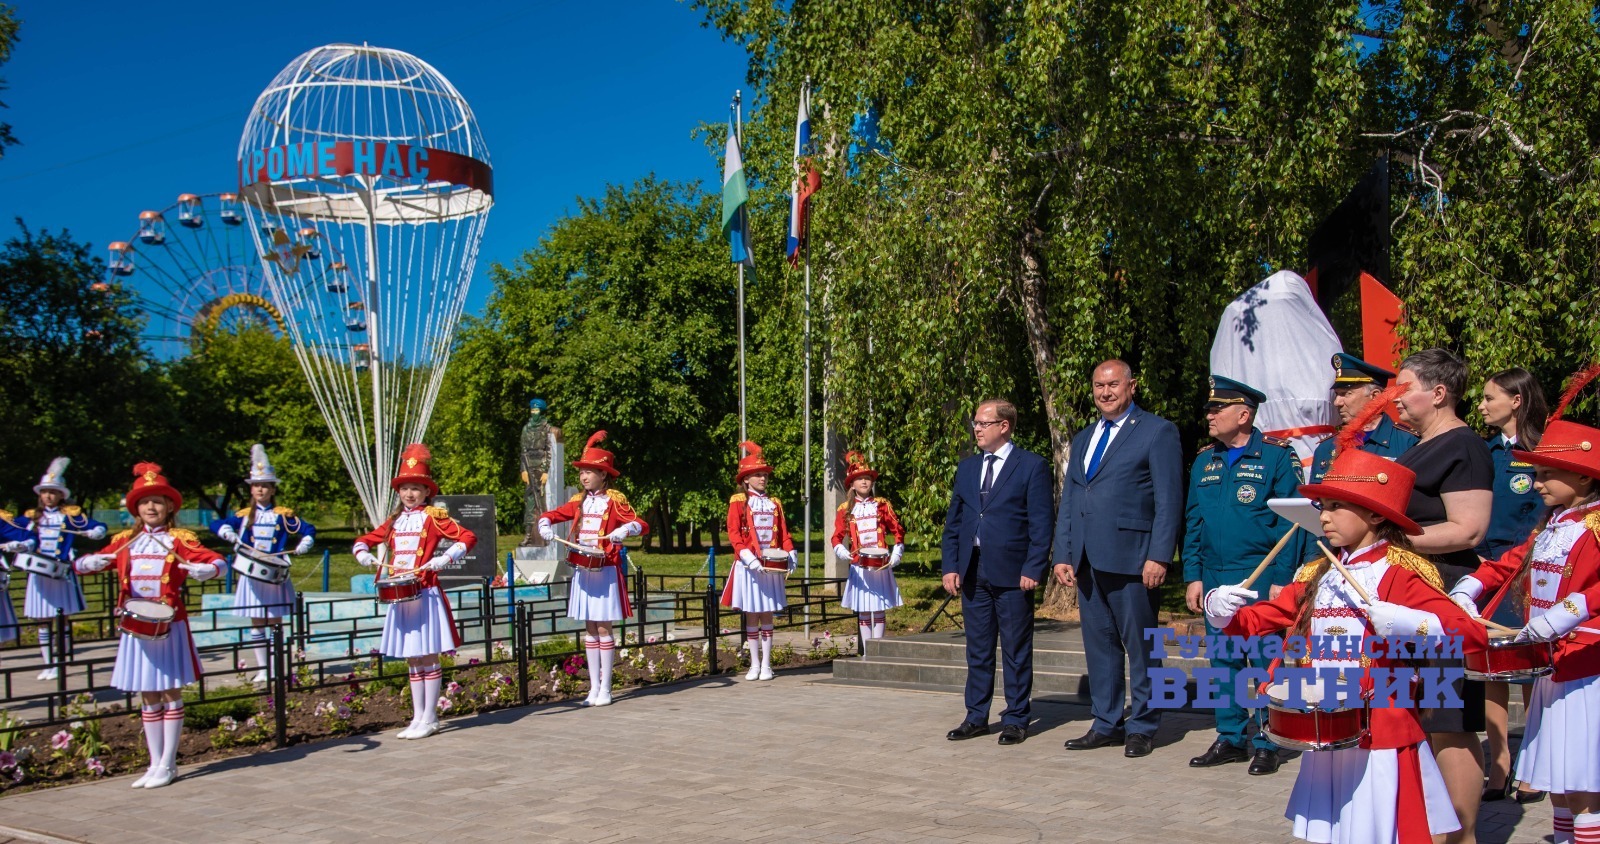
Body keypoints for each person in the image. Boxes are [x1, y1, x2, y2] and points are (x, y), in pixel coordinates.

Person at [1205, 438, 1487, 843]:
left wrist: (1409, 622)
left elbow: (1471, 634)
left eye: (1337, 506)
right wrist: (1222, 608)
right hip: (1328, 727)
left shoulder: (1400, 572)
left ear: (1374, 513)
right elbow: (1256, 621)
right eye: (1323, 506)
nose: (1324, 516)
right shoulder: (1318, 571)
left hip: (1382, 733)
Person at [1450, 365, 1600, 843]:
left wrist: (1568, 611)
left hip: (1586, 666)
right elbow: (1510, 563)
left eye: (1548, 475)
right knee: (1556, 774)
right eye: (1535, 474)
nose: (1537, 484)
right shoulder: (1553, 525)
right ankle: (1562, 836)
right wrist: (1470, 588)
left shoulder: (1596, 524)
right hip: (1552, 666)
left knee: (1582, 779)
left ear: (1581, 476)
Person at [1052, 361, 1183, 758]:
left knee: (1142, 648)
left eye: (1113, 384)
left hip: (1134, 559)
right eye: (1098, 385)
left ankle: (1143, 725)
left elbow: (1169, 499)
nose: (1105, 392)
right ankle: (1106, 721)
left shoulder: (1157, 431)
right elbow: (1072, 498)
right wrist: (1063, 552)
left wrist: (1159, 555)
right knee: (1100, 647)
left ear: (1131, 386)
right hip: (1088, 560)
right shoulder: (1086, 436)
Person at [1391, 348, 1494, 843]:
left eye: (1403, 385)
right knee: (1422, 715)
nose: (1395, 397)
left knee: (1449, 718)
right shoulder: (1417, 446)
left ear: (1437, 393)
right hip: (1408, 596)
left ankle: (1462, 835)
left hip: (1442, 599)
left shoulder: (1464, 447)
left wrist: (1388, 541)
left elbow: (1469, 530)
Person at [1182, 376, 1307, 776]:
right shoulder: (1205, 460)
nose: (1209, 416)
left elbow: (1293, 521)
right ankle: (1231, 736)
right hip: (1216, 576)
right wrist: (1193, 575)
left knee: (1265, 660)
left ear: (1244, 414)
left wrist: (1283, 577)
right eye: (1208, 409)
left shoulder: (1274, 458)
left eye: (1217, 409)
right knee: (1224, 660)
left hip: (1261, 575)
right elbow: (1194, 521)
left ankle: (1269, 739)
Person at [75, 462, 226, 789]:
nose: (151, 507)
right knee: (148, 695)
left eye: (157, 501)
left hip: (169, 625)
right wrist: (90, 562)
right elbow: (81, 565)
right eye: (145, 502)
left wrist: (208, 571)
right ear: (136, 508)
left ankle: (169, 763)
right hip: (135, 627)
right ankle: (154, 762)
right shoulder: (125, 541)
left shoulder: (178, 540)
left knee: (170, 693)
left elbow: (218, 561)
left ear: (169, 506)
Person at [941, 399, 1053, 746]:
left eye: (983, 423)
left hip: (1013, 573)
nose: (976, 428)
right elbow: (955, 522)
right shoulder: (968, 468)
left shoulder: (1031, 466)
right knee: (978, 649)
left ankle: (1016, 718)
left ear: (1004, 426)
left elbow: (1041, 522)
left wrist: (1034, 567)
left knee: (1016, 649)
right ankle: (976, 717)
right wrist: (950, 566)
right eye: (974, 423)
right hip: (973, 570)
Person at [353, 444, 476, 740]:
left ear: (426, 492)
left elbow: (468, 536)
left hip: (425, 592)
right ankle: (417, 716)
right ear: (399, 492)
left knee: (428, 655)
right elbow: (364, 540)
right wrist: (363, 555)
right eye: (405, 488)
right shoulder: (395, 521)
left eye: (416, 488)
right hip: (400, 595)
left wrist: (445, 558)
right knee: (412, 657)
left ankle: (430, 716)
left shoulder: (433, 517)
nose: (410, 494)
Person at [1474, 367, 1550, 805]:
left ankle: (1536, 766)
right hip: (1485, 572)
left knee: (1531, 672)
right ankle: (1499, 766)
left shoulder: (1541, 450)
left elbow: (1545, 517)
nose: (1482, 405)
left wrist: (1519, 561)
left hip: (1526, 574)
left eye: (1490, 397)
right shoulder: (1484, 452)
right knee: (1489, 672)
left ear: (1516, 400)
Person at [537, 430, 649, 707]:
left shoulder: (615, 500)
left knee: (603, 630)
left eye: (590, 471)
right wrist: (544, 524)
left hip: (606, 570)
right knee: (589, 629)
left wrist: (625, 529)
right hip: (583, 570)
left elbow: (641, 524)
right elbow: (552, 514)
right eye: (582, 472)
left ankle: (607, 688)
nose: (584, 476)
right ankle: (594, 687)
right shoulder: (579, 501)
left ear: (604, 475)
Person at [208, 444, 316, 684]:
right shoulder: (243, 515)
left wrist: (305, 543)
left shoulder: (282, 514)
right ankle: (263, 668)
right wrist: (227, 532)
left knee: (275, 621)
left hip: (274, 574)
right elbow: (216, 524)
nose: (260, 489)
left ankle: (278, 667)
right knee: (257, 621)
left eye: (265, 486)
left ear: (272, 489)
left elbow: (308, 529)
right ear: (252, 489)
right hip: (251, 574)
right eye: (257, 485)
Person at [15, 457, 108, 680]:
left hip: (60, 573)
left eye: (53, 492)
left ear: (61, 495)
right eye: (45, 492)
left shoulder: (71, 516)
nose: (48, 496)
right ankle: (48, 663)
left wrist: (96, 532)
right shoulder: (30, 517)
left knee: (61, 618)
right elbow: (11, 531)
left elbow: (98, 527)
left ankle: (62, 661)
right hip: (38, 574)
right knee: (42, 621)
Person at [721, 441, 796, 681]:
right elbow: (734, 533)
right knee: (752, 614)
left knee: (767, 614)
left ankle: (767, 664)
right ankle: (754, 664)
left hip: (772, 566)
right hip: (749, 565)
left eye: (764, 474)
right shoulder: (737, 501)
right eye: (757, 475)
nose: (763, 479)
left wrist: (791, 552)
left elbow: (784, 532)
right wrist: (748, 557)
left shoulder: (775, 503)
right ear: (746, 479)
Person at [1308, 353, 1419, 484]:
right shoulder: (1327, 448)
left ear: (1375, 396)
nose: (1337, 402)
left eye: (1346, 394)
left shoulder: (1408, 443)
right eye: (1337, 394)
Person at [832, 450, 907, 641]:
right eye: (859, 479)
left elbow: (898, 530)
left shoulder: (882, 505)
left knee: (879, 608)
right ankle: (866, 652)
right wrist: (841, 550)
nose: (864, 482)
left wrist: (897, 552)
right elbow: (836, 537)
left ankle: (878, 650)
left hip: (880, 566)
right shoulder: (845, 509)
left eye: (867, 478)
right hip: (859, 566)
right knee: (864, 610)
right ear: (852, 484)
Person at [519, 398, 553, 546]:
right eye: (532, 410)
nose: (534, 413)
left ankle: (545, 534)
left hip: (541, 465)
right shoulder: (526, 428)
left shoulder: (547, 428)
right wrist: (523, 470)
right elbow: (523, 450)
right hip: (529, 465)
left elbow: (550, 450)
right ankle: (528, 535)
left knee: (543, 502)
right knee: (530, 502)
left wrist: (546, 470)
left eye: (536, 410)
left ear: (542, 411)